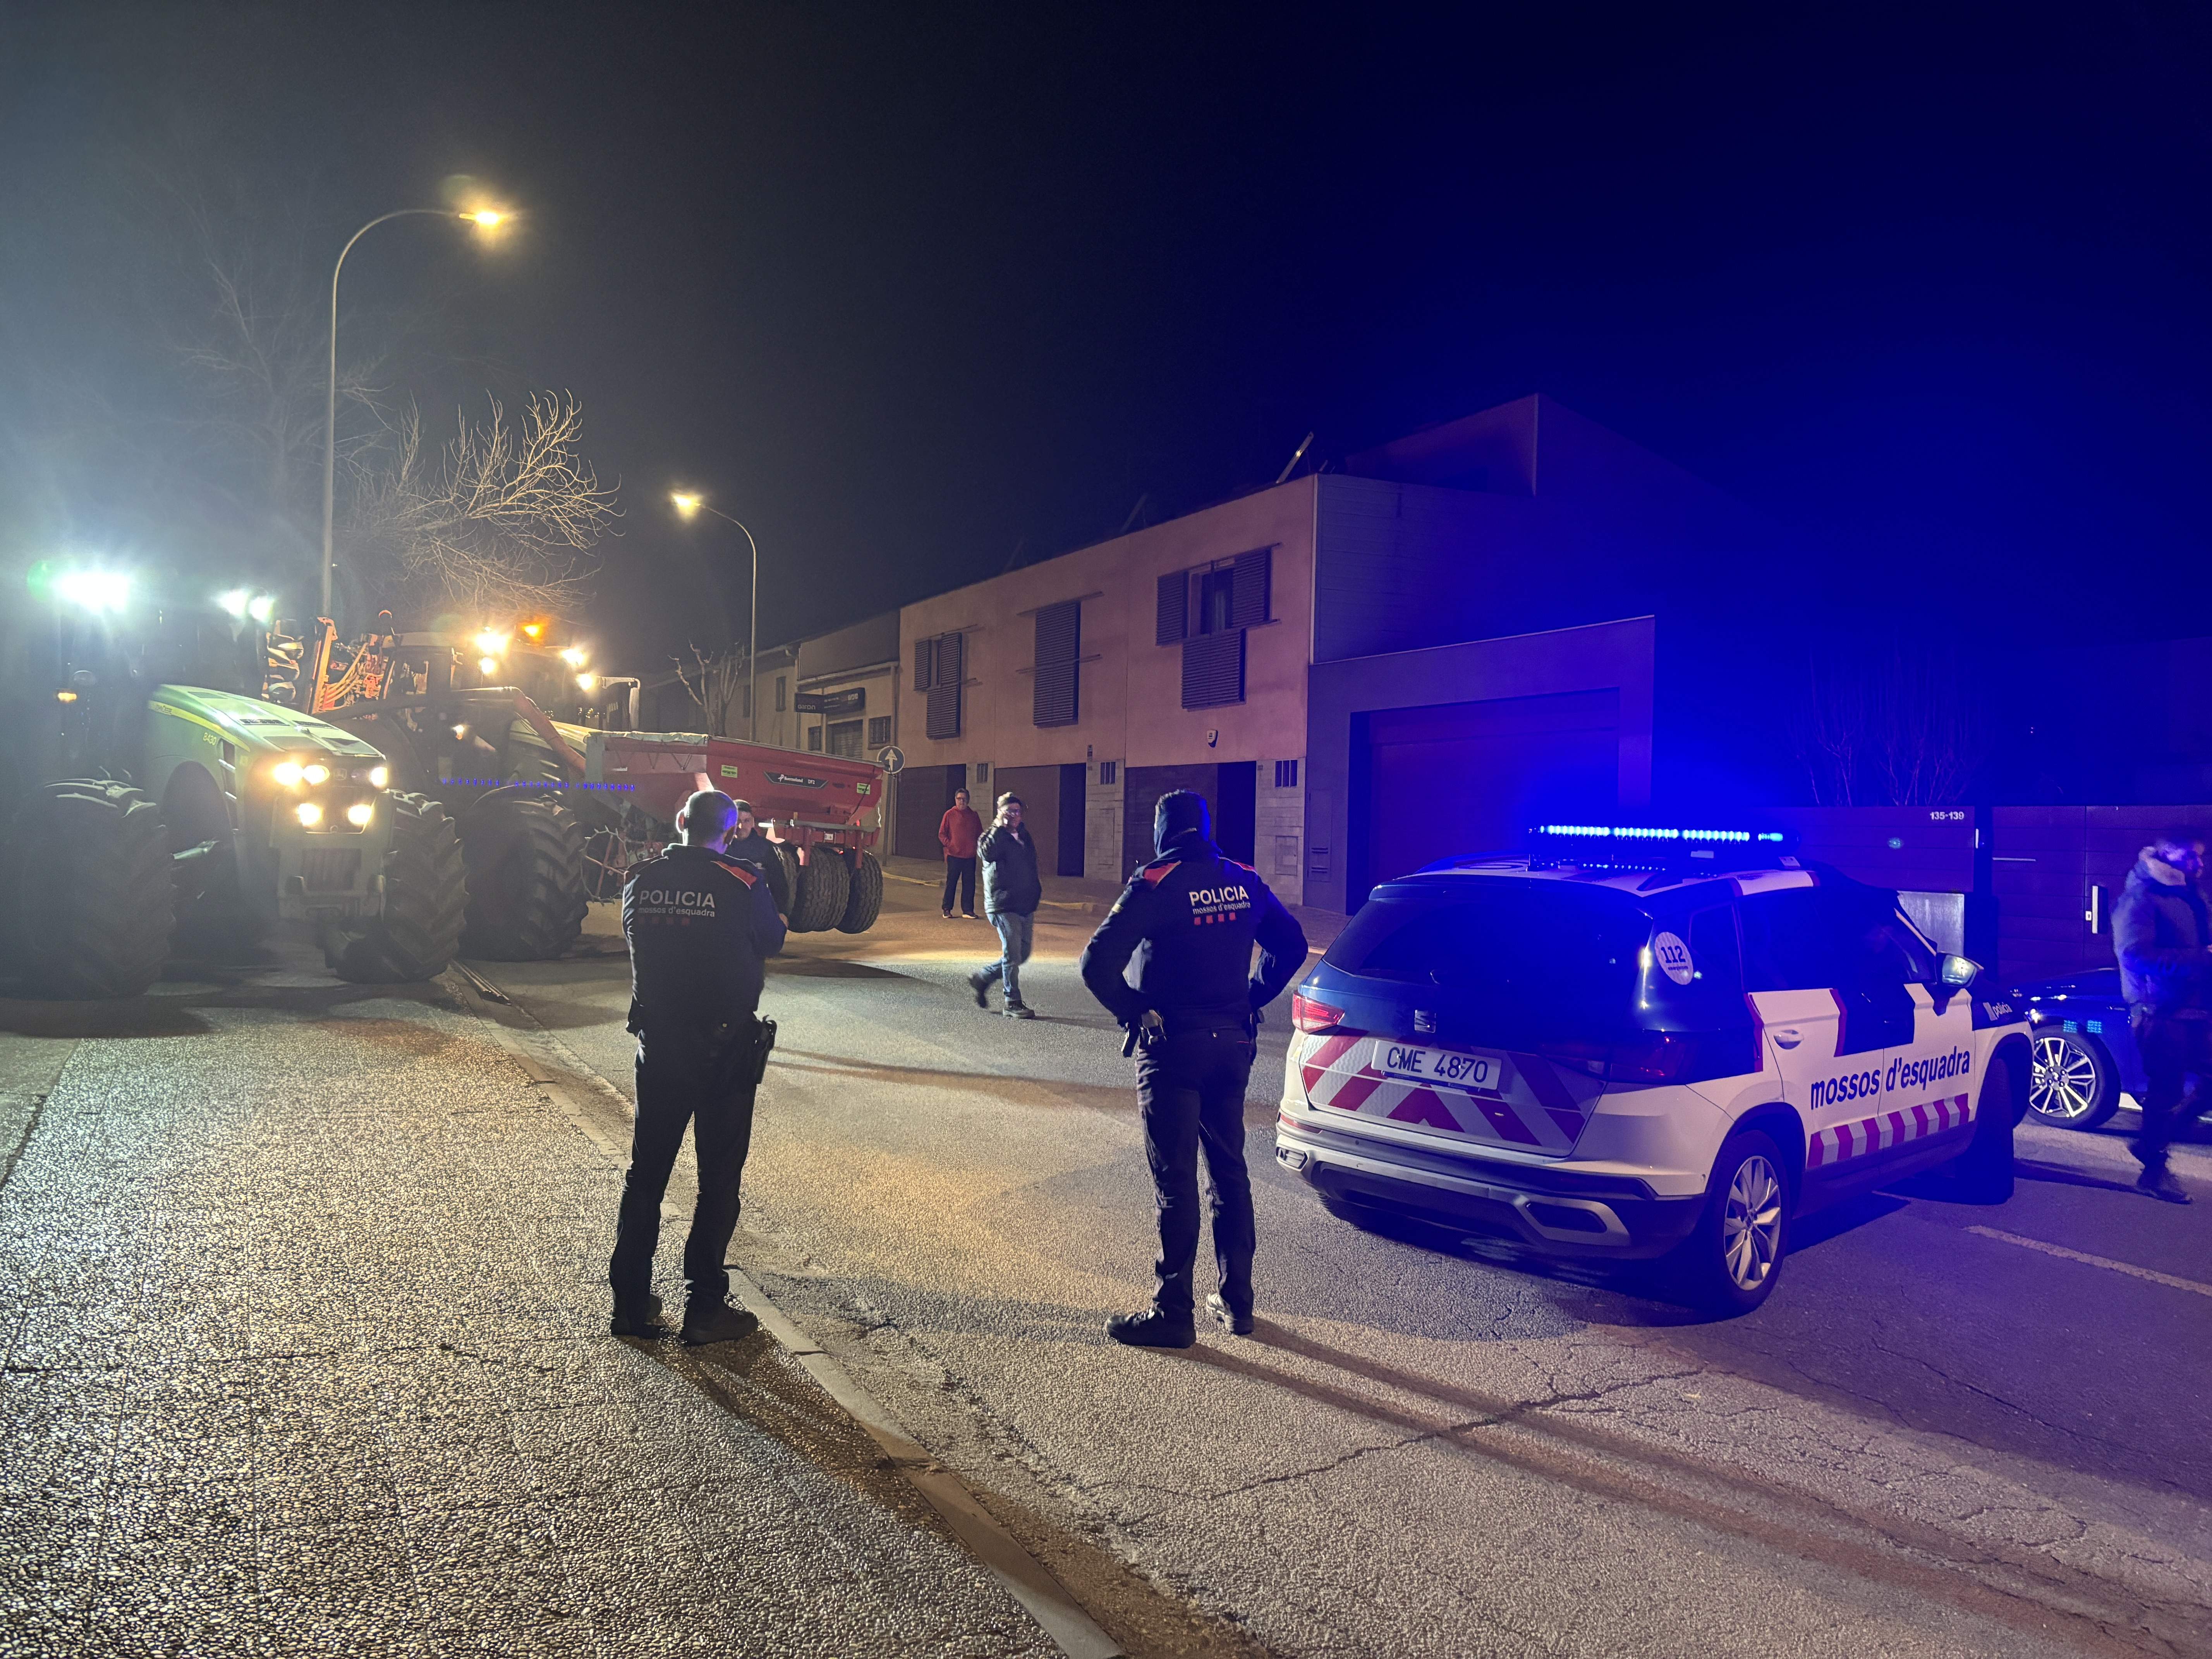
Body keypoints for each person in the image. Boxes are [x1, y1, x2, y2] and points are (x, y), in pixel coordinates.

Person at [1078, 790, 1306, 1346]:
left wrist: (1134, 1010)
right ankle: (1238, 1303)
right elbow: (1293, 945)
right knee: (1229, 1172)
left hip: (1173, 1047)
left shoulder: (1157, 882)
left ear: (1162, 831)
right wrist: (1251, 999)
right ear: (1204, 828)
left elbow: (1096, 962)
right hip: (1231, 1046)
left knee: (1176, 1182)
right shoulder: (1243, 879)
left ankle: (1173, 1313)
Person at [610, 789, 788, 1341]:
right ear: (732, 832)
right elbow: (774, 939)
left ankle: (631, 1306)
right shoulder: (743, 881)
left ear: (681, 821)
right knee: (718, 1181)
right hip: (723, 1053)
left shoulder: (639, 878)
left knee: (646, 1178)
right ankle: (705, 1307)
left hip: (658, 1048)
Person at [2114, 825, 2212, 1204]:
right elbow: (2135, 956)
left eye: (2202, 856)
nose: (2200, 863)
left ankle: (2154, 1140)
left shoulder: (2192, 895)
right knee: (2165, 1091)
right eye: (2192, 856)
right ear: (2166, 855)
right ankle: (2153, 1171)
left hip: (2196, 1008)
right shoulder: (2141, 897)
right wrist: (2202, 959)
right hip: (2160, 1012)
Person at [970, 793, 1042, 1017]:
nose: (1013, 815)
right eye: (1008, 811)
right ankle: (1012, 1001)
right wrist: (998, 828)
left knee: (1023, 954)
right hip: (1002, 904)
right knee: (1012, 955)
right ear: (999, 812)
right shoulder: (991, 837)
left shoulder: (1024, 836)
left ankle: (983, 978)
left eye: (1017, 811)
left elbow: (1031, 865)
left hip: (1025, 903)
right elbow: (986, 854)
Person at [722, 799, 791, 921]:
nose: (741, 826)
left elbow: (778, 882)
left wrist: (782, 912)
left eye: (747, 821)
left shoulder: (764, 848)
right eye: (737, 821)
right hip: (725, 909)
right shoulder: (720, 846)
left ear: (753, 822)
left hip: (754, 910)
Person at [939, 787, 982, 919]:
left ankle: (968, 910)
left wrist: (977, 847)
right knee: (951, 883)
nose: (962, 801)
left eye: (964, 799)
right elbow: (942, 834)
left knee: (969, 884)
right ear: (955, 800)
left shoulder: (974, 816)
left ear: (968, 800)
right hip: (954, 855)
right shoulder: (949, 815)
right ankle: (947, 909)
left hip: (970, 856)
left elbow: (980, 834)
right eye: (959, 799)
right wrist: (950, 844)